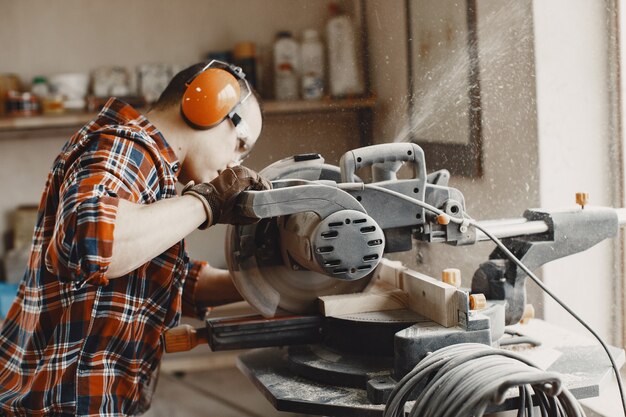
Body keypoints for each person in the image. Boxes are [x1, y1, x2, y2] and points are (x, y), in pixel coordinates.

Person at [0, 61, 271, 416]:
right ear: (207, 105)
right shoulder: (126, 147)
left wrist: (264, 280)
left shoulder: (153, 171)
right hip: (60, 403)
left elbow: (166, 280)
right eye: (239, 144)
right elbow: (97, 242)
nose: (235, 164)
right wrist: (206, 201)